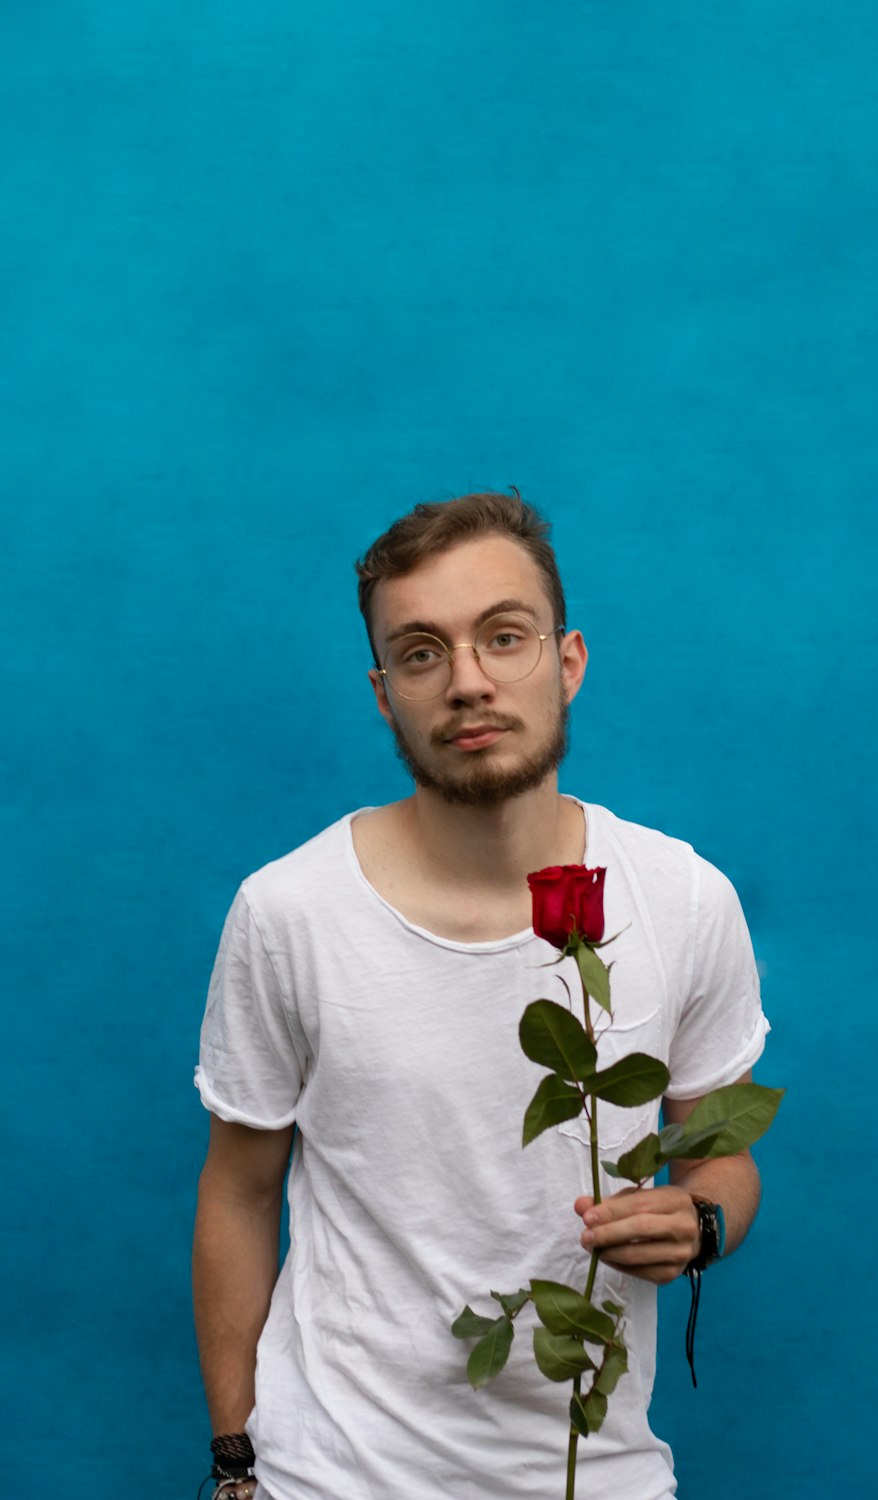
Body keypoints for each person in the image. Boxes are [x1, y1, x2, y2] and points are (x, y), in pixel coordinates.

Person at [193, 491, 770, 1500]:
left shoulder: (681, 897)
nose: (467, 681)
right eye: (421, 652)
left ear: (568, 660)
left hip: (595, 1475)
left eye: (503, 637)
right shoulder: (288, 910)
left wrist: (700, 1222)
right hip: (331, 1477)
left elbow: (722, 1152)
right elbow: (238, 1194)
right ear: (384, 693)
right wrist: (234, 1462)